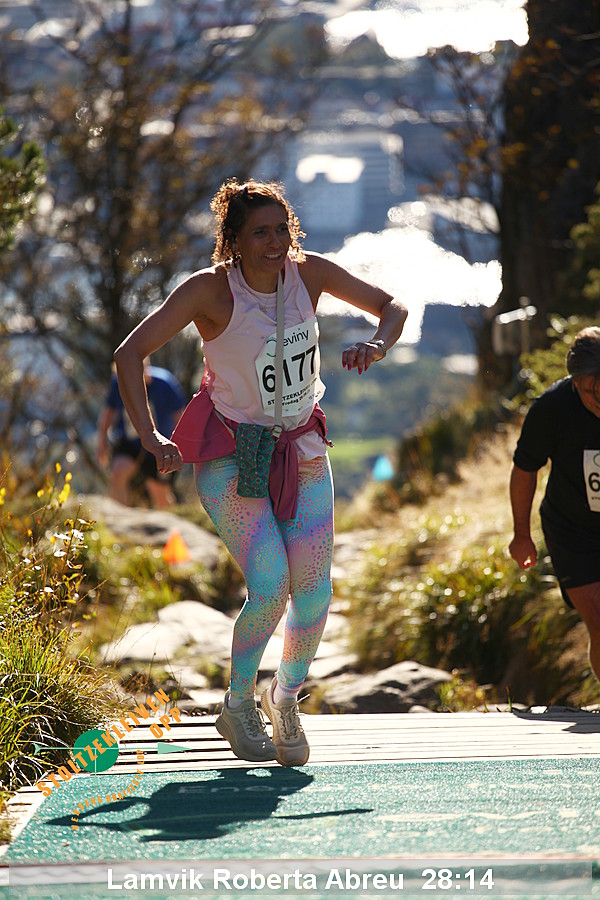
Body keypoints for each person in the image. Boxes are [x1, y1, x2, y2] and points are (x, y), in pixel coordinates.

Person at [113, 178, 408, 766]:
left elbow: (391, 306)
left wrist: (377, 344)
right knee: (271, 587)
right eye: (260, 233)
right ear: (235, 240)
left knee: (315, 593)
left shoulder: (309, 273)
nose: (275, 243)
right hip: (231, 455)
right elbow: (129, 354)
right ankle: (237, 704)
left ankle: (286, 698)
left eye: (281, 230)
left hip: (302, 450)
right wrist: (150, 436)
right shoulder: (208, 291)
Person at [509, 326, 600, 682]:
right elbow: (524, 470)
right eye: (593, 391)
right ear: (575, 382)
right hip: (572, 530)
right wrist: (521, 535)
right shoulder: (552, 409)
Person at [97, 363, 186, 508]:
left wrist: (181, 445)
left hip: (159, 445)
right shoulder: (118, 383)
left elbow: (180, 416)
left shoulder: (165, 383)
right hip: (130, 443)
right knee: (118, 473)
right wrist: (102, 445)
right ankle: (118, 517)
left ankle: (172, 521)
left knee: (159, 493)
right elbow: (108, 414)